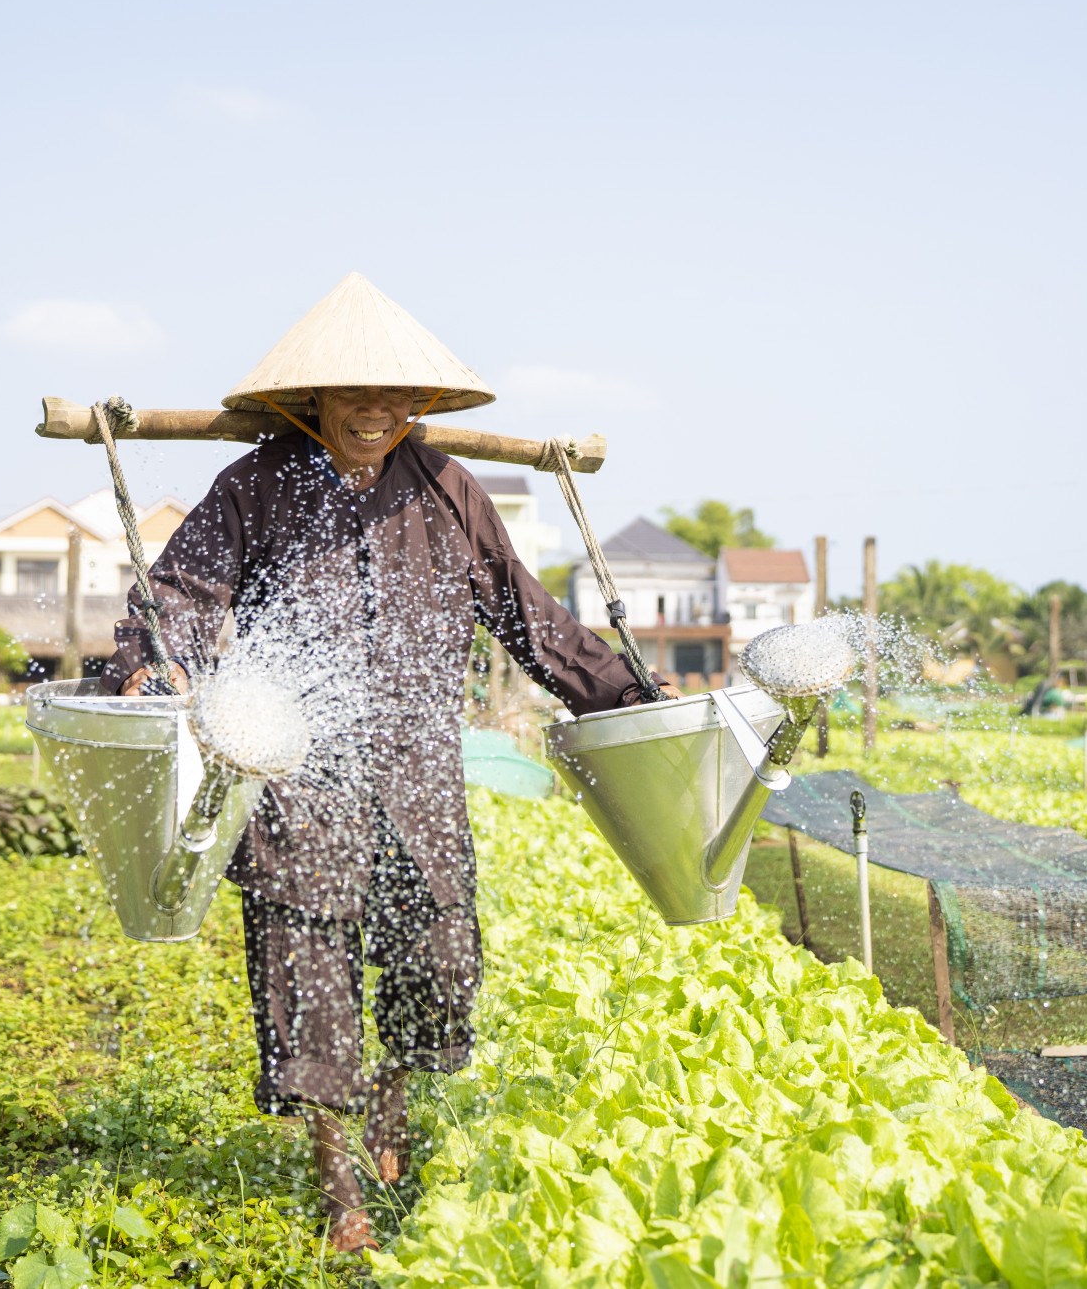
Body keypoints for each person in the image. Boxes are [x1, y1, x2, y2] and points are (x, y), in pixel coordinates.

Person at [109, 275, 669, 1251]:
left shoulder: (452, 494)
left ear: (420, 404)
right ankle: (338, 1183)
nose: (374, 410)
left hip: (418, 777)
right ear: (312, 399)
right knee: (307, 962)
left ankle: (392, 1108)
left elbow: (527, 617)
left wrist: (624, 692)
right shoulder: (256, 483)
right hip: (298, 775)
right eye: (352, 394)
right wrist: (150, 662)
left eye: (393, 396)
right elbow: (186, 592)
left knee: (436, 957)